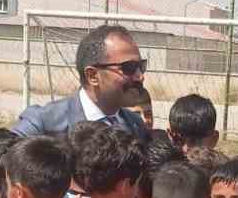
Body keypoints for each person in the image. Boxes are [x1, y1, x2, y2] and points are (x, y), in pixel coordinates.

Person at [11, 22, 151, 142]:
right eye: (129, 68)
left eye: (141, 66)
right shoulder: (43, 124)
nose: (140, 76)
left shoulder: (135, 125)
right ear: (92, 76)